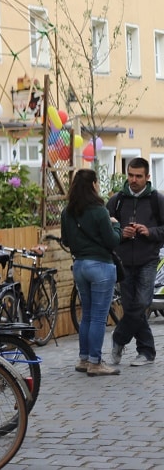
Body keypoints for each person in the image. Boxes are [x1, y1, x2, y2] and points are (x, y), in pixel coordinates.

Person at [61, 168, 122, 376]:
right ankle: (96, 362)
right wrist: (117, 226)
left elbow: (66, 241)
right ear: (93, 185)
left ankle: (84, 358)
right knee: (98, 317)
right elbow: (112, 241)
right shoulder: (99, 210)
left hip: (79, 266)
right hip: (101, 266)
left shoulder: (67, 212)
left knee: (86, 315)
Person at [107, 157, 164, 367]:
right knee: (131, 306)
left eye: (138, 176)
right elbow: (105, 229)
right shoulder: (117, 200)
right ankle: (146, 351)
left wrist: (150, 231)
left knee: (142, 303)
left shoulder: (156, 200)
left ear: (147, 177)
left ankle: (118, 338)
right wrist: (121, 233)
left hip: (148, 259)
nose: (133, 179)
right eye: (130, 175)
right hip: (123, 261)